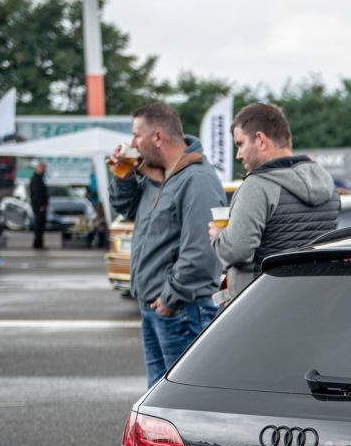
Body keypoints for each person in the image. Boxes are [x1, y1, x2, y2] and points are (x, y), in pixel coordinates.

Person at [108, 102, 225, 387]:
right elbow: (127, 208)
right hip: (157, 309)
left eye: (137, 135)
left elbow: (202, 251)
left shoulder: (197, 180)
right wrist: (124, 175)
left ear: (157, 137)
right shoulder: (157, 177)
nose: (132, 143)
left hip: (181, 311)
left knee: (183, 399)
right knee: (159, 399)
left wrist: (170, 299)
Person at [210, 102, 338, 299]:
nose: (238, 155)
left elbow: (237, 250)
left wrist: (219, 236)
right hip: (315, 299)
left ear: (261, 140)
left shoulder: (257, 186)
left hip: (261, 303)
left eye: (240, 144)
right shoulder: (325, 180)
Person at [29, 161, 49, 248]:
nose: (45, 170)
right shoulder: (36, 179)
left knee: (40, 225)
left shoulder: (38, 178)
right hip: (39, 207)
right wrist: (41, 205)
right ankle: (38, 243)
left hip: (40, 206)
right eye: (43, 168)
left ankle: (39, 242)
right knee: (39, 225)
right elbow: (37, 194)